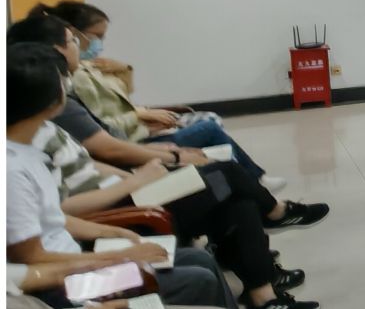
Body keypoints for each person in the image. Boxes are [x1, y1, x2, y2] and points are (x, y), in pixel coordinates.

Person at [6, 43, 232, 309]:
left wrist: (111, 232)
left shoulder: (29, 150)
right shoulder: (12, 169)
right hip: (66, 286)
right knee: (198, 280)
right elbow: (31, 258)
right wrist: (119, 257)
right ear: (50, 100)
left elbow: (52, 217)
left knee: (200, 260)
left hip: (73, 264)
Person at [18, 6, 285, 191]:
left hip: (132, 145)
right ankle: (257, 189)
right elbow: (107, 142)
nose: (89, 45)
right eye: (77, 40)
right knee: (209, 134)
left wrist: (126, 74)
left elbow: (117, 108)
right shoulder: (68, 93)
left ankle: (255, 192)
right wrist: (160, 147)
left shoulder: (87, 72)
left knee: (213, 152)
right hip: (132, 145)